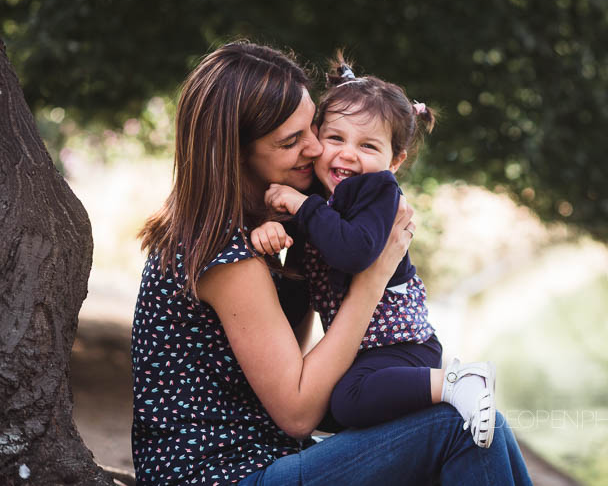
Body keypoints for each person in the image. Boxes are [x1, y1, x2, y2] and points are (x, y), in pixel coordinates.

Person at [132, 40, 533, 485]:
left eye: (313, 129)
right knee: (458, 424)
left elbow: (301, 364)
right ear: (235, 152)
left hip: (267, 455)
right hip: (225, 475)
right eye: (291, 141)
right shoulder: (224, 255)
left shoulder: (256, 229)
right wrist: (374, 278)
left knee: (482, 422)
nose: (315, 149)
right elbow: (299, 412)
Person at [249, 54, 497, 448]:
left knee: (347, 403)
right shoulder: (319, 194)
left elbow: (353, 253)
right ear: (318, 137)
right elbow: (305, 230)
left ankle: (458, 380)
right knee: (321, 406)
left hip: (401, 346)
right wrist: (272, 229)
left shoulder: (377, 191)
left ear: (394, 161)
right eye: (336, 139)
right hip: (365, 350)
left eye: (367, 145)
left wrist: (299, 205)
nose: (347, 154)